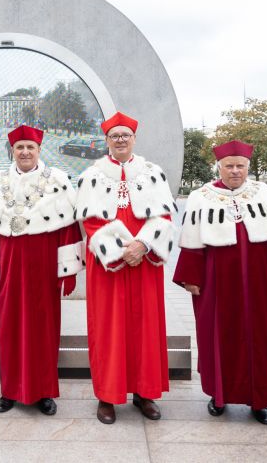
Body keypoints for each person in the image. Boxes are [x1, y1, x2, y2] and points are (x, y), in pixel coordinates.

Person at [173, 140, 267, 425]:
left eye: (240, 166)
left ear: (248, 167)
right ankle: (218, 395)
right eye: (229, 166)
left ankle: (259, 400)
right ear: (220, 167)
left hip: (259, 282)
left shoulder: (263, 193)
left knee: (261, 339)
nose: (235, 171)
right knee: (217, 335)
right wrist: (191, 277)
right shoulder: (202, 196)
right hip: (216, 282)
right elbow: (192, 242)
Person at [0, 125, 84, 416]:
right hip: (8, 270)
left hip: (44, 270)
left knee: (45, 331)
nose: (24, 152)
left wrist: (68, 271)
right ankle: (9, 390)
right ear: (13, 151)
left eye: (30, 148)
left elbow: (68, 230)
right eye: (19, 147)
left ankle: (44, 391)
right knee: (7, 330)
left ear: (38, 150)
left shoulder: (57, 180)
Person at [76, 111, 175, 425]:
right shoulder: (92, 174)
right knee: (108, 329)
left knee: (145, 328)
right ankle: (107, 396)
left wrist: (143, 245)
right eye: (114, 136)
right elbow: (90, 222)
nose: (120, 140)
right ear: (106, 140)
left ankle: (144, 393)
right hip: (108, 265)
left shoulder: (152, 172)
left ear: (134, 138)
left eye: (125, 135)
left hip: (144, 261)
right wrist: (119, 251)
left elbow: (165, 216)